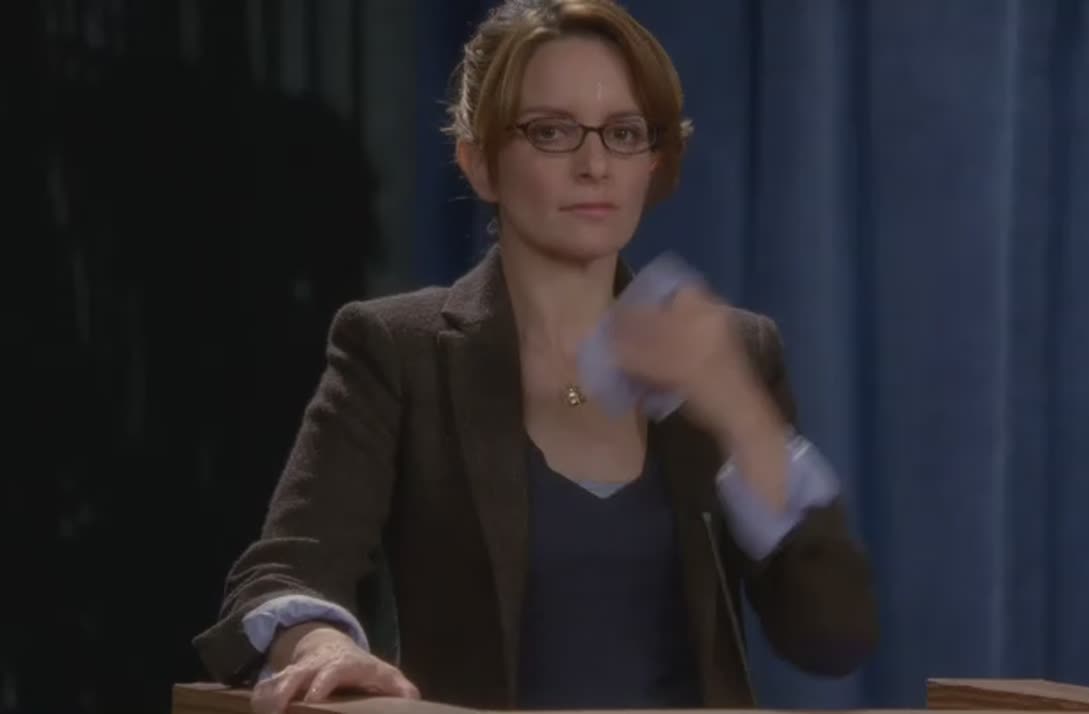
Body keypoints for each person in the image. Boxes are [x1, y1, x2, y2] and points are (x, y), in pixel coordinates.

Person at [192, 0, 878, 711]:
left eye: (623, 133)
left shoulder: (736, 351)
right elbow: (285, 571)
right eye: (551, 132)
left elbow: (834, 637)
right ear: (480, 162)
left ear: (653, 160)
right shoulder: (398, 350)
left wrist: (744, 419)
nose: (594, 165)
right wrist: (323, 645)